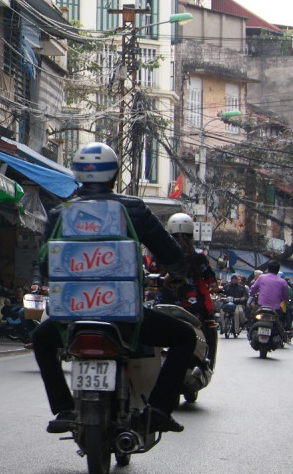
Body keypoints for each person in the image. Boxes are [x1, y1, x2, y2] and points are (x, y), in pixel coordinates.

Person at [30, 142, 194, 435]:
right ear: (114, 174)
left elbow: (45, 267)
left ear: (78, 174)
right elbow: (171, 257)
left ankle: (64, 409)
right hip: (125, 317)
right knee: (184, 337)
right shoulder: (134, 209)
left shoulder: (59, 214)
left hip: (71, 319)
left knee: (41, 340)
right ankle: (157, 410)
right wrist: (177, 271)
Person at [161, 212, 217, 364]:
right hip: (192, 308)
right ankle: (206, 361)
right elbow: (211, 280)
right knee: (208, 329)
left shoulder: (160, 251)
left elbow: (151, 272)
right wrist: (213, 287)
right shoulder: (199, 255)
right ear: (192, 232)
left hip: (163, 304)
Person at [249, 262, 291, 332]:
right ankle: (283, 332)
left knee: (252, 315)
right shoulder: (282, 281)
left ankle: (250, 330)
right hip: (275, 309)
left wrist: (251, 294)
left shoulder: (261, 277)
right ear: (278, 270)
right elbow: (286, 296)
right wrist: (285, 300)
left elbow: (253, 289)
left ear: (268, 269)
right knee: (281, 319)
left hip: (261, 307)